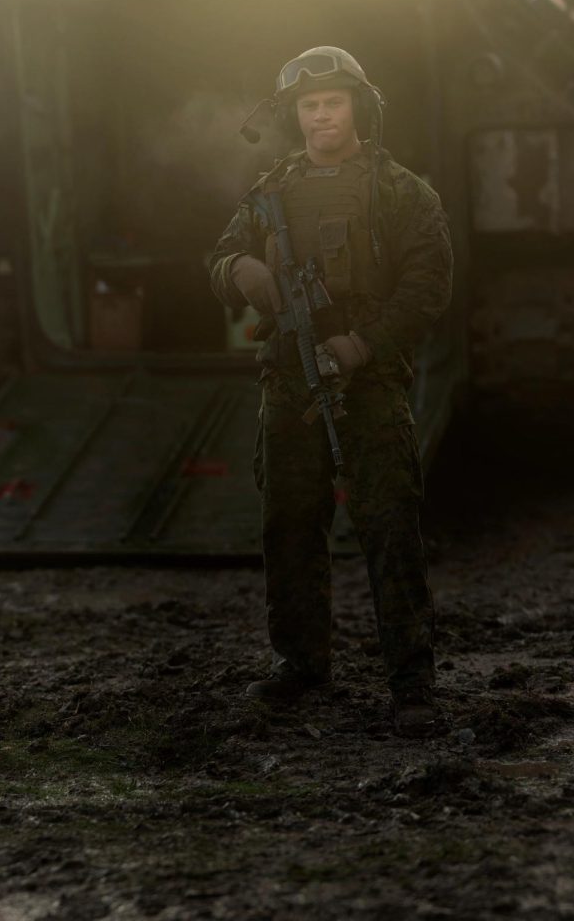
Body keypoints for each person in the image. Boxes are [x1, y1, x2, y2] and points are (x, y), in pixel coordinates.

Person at [209, 47, 453, 736]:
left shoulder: (402, 192)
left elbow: (428, 288)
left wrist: (359, 343)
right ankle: (301, 665)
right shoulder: (271, 191)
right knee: (288, 521)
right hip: (288, 380)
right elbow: (217, 258)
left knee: (388, 525)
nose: (322, 117)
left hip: (369, 383)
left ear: (358, 108)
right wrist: (242, 270)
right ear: (296, 116)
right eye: (310, 107)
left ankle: (412, 683)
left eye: (333, 103)